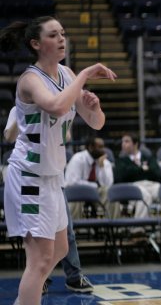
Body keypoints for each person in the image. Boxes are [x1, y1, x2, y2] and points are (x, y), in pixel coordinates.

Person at [0, 15, 117, 305]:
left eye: (62, 33)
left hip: (52, 177)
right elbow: (56, 106)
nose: (62, 39)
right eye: (54, 35)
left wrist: (94, 107)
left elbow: (96, 123)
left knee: (61, 249)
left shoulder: (66, 74)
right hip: (28, 179)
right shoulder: (30, 80)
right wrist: (86, 75)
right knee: (39, 263)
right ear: (36, 44)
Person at [3, 107, 94, 294]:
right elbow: (8, 137)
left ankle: (72, 277)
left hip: (54, 178)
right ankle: (39, 279)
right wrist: (22, 121)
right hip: (30, 179)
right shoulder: (19, 108)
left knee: (64, 237)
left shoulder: (57, 106)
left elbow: (66, 136)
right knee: (35, 239)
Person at [114, 133, 161, 222]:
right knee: (144, 195)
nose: (123, 144)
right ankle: (138, 229)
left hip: (152, 184)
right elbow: (121, 176)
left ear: (135, 143)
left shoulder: (149, 158)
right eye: (122, 142)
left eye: (126, 141)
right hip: (133, 186)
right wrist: (143, 169)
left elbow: (157, 174)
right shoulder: (120, 161)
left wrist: (136, 170)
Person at [65, 136, 116, 219]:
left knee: (109, 193)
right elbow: (72, 182)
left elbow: (108, 184)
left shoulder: (104, 162)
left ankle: (111, 226)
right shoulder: (78, 159)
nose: (103, 150)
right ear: (90, 147)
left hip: (96, 192)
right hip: (77, 192)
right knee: (77, 193)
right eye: (100, 147)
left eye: (103, 147)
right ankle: (76, 228)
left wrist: (101, 166)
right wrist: (94, 185)